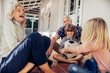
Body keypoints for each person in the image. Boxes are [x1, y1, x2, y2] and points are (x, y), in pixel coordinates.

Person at [0, 4, 55, 73]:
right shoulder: (8, 23)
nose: (22, 12)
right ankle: (48, 70)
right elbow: (13, 46)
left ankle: (24, 71)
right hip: (7, 63)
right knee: (35, 36)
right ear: (12, 14)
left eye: (23, 10)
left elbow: (24, 46)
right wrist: (32, 47)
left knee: (45, 39)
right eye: (18, 10)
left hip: (18, 62)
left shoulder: (21, 26)